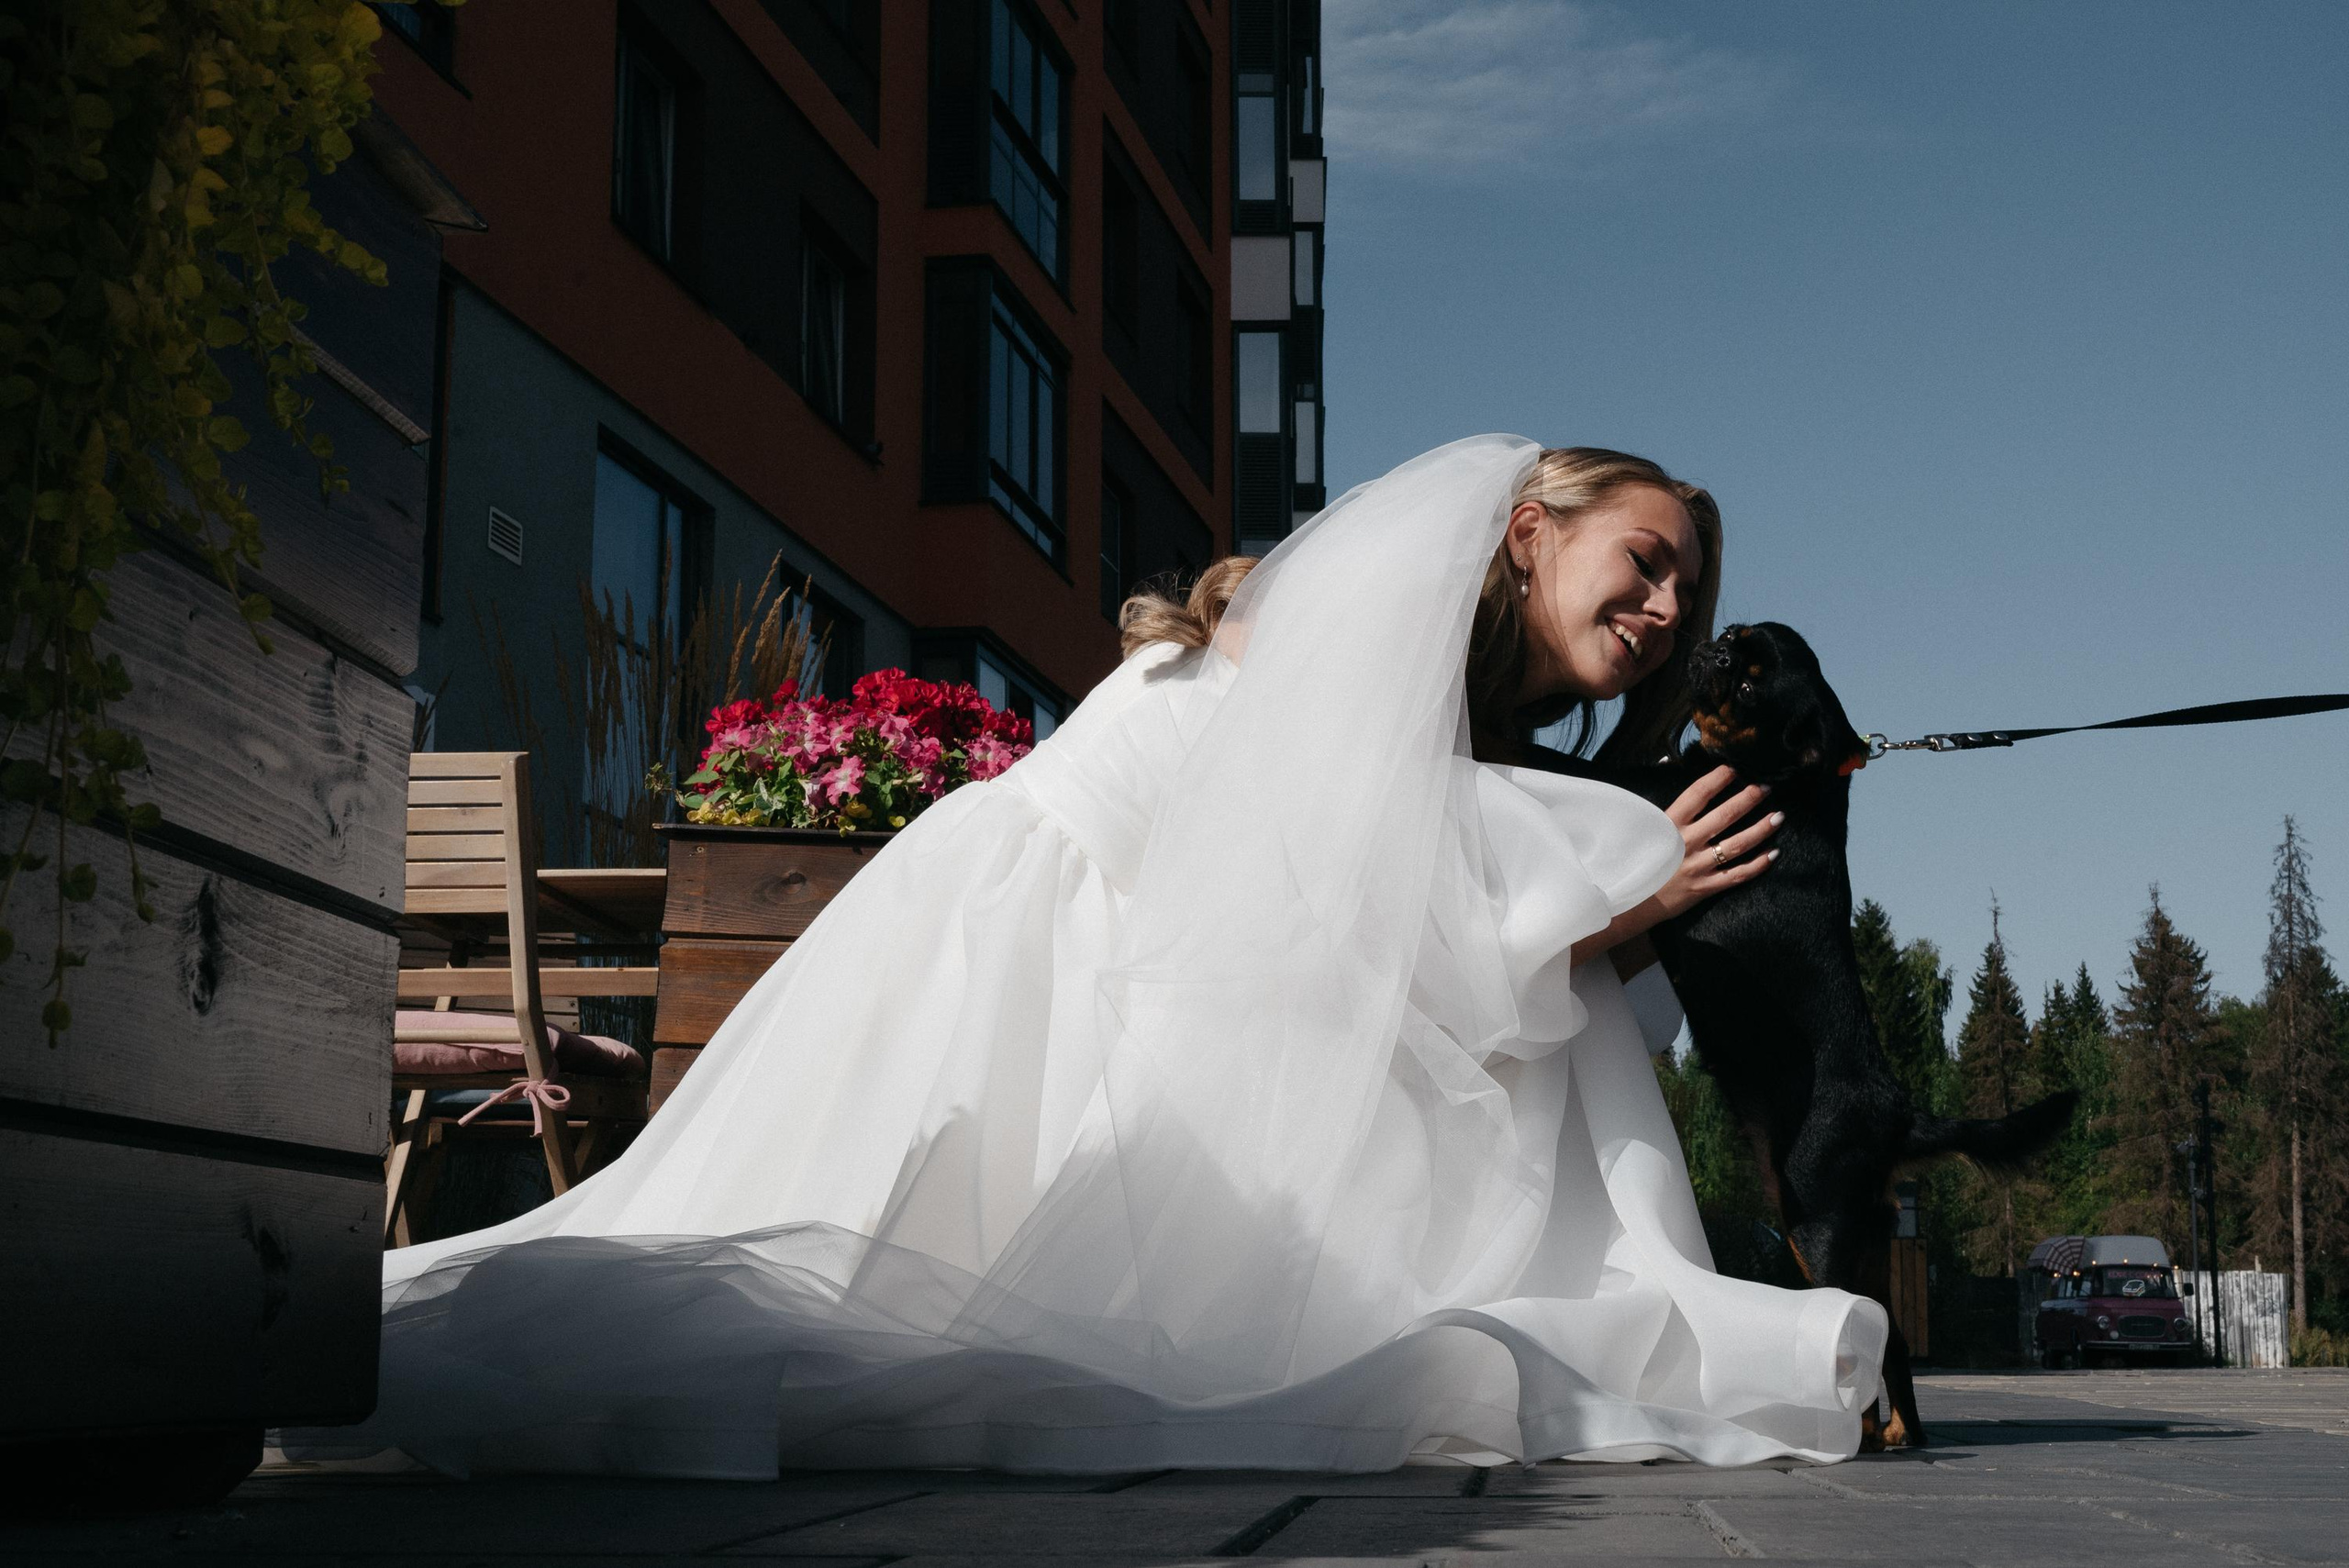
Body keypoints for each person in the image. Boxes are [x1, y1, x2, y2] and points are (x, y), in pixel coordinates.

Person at [291, 435, 1887, 1479]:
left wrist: (1601, 898)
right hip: (1069, 913)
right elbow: (1328, 848)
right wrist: (1603, 890)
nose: (1671, 610)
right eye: (1647, 560)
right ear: (1531, 529)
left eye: (1690, 590)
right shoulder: (1374, 616)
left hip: (1182, 915)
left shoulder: (1475, 703)